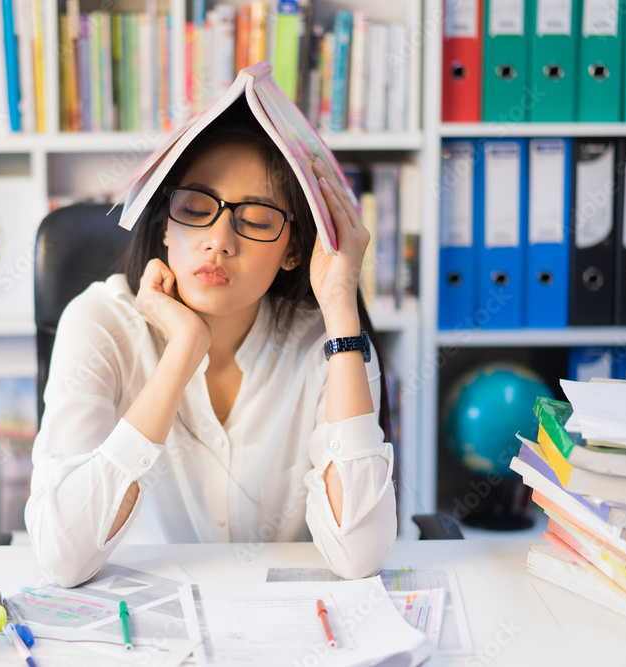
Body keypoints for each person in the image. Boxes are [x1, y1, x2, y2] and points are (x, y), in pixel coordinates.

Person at [25, 100, 397, 587]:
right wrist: (182, 351)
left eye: (258, 219)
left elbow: (359, 556)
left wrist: (342, 307)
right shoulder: (98, 323)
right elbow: (61, 557)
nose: (218, 240)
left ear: (292, 251)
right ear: (163, 225)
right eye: (197, 209)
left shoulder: (328, 343)